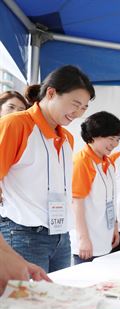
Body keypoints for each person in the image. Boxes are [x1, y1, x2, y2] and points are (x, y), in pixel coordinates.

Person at [0, 65, 95, 272]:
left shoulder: (68, 138)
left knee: (54, 300)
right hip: (23, 233)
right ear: (51, 93)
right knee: (26, 302)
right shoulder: (16, 125)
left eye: (84, 108)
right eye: (75, 104)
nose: (77, 113)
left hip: (61, 235)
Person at [70, 111, 120, 264]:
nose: (114, 144)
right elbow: (76, 203)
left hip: (104, 239)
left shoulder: (109, 163)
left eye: (117, 140)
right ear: (94, 135)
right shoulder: (82, 161)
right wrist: (83, 238)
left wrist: (114, 227)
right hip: (87, 243)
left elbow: (111, 201)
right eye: (111, 138)